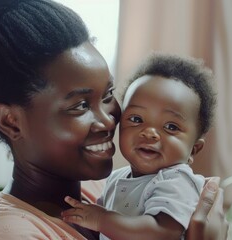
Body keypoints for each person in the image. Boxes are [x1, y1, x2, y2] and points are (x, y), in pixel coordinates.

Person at [0, 0, 228, 239]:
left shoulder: (102, 192)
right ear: (11, 121)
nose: (109, 120)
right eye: (80, 106)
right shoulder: (12, 234)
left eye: (108, 94)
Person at [61, 53, 221, 240]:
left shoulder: (177, 181)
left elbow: (162, 232)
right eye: (137, 119)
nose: (150, 132)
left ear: (193, 149)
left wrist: (101, 219)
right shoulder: (115, 179)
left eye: (171, 127)